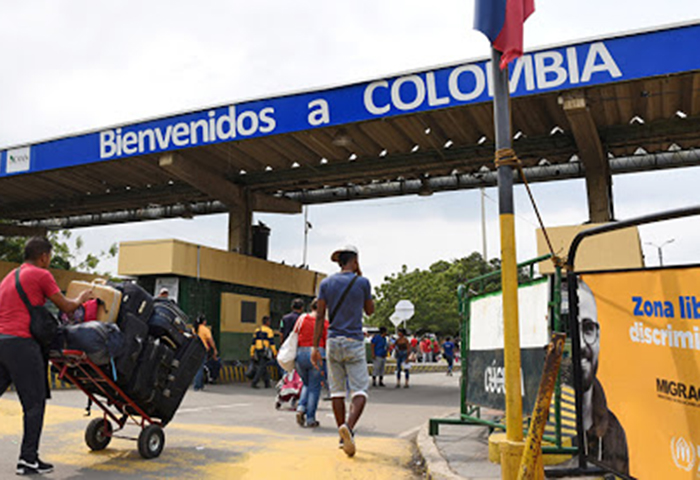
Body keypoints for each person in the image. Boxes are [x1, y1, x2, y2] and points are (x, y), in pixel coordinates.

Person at [0, 237, 93, 476]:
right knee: (34, 404)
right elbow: (67, 307)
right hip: (22, 344)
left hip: (2, 342)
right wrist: (82, 298)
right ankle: (28, 459)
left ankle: (29, 458)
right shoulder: (41, 274)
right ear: (44, 256)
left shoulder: (9, 277)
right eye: (49, 258)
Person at [312, 245, 374, 458]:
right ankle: (348, 426)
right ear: (354, 261)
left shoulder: (326, 283)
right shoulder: (362, 282)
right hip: (354, 341)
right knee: (360, 390)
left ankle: (342, 436)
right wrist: (361, 276)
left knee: (337, 392)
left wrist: (314, 347)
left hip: (332, 342)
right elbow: (370, 310)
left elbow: (320, 316)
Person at [577, 281, 629, 475]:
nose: (581, 344)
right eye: (571, 329)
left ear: (598, 335)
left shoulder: (615, 430)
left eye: (588, 328)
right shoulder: (549, 425)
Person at [295, 299, 328, 428]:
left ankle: (301, 407)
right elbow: (326, 340)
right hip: (317, 352)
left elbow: (295, 333)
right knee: (315, 387)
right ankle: (310, 419)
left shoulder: (302, 319)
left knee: (306, 384)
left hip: (301, 353)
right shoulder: (324, 323)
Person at [250, 315, 277, 389]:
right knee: (261, 367)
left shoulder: (257, 330)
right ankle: (254, 382)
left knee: (263, 366)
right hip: (264, 351)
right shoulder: (269, 331)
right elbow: (272, 343)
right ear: (267, 322)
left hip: (257, 350)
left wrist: (252, 353)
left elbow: (253, 343)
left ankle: (267, 383)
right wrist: (275, 353)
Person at [193, 315, 219, 391]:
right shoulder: (205, 330)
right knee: (200, 368)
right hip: (202, 350)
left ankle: (199, 385)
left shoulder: (194, 329)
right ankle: (197, 385)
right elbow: (211, 341)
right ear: (204, 322)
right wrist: (214, 349)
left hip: (194, 350)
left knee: (197, 367)